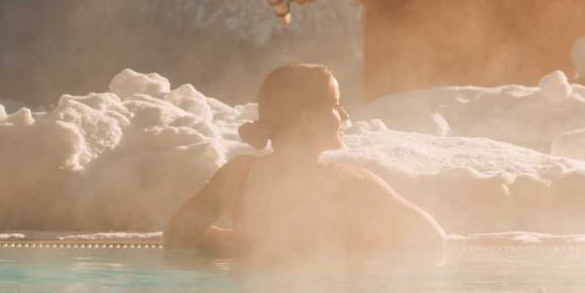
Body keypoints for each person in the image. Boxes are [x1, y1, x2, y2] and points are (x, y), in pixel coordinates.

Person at [164, 63, 446, 261]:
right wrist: (356, 252)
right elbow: (431, 239)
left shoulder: (240, 174)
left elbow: (178, 237)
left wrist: (250, 246)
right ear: (308, 119)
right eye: (335, 105)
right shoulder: (351, 181)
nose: (344, 114)